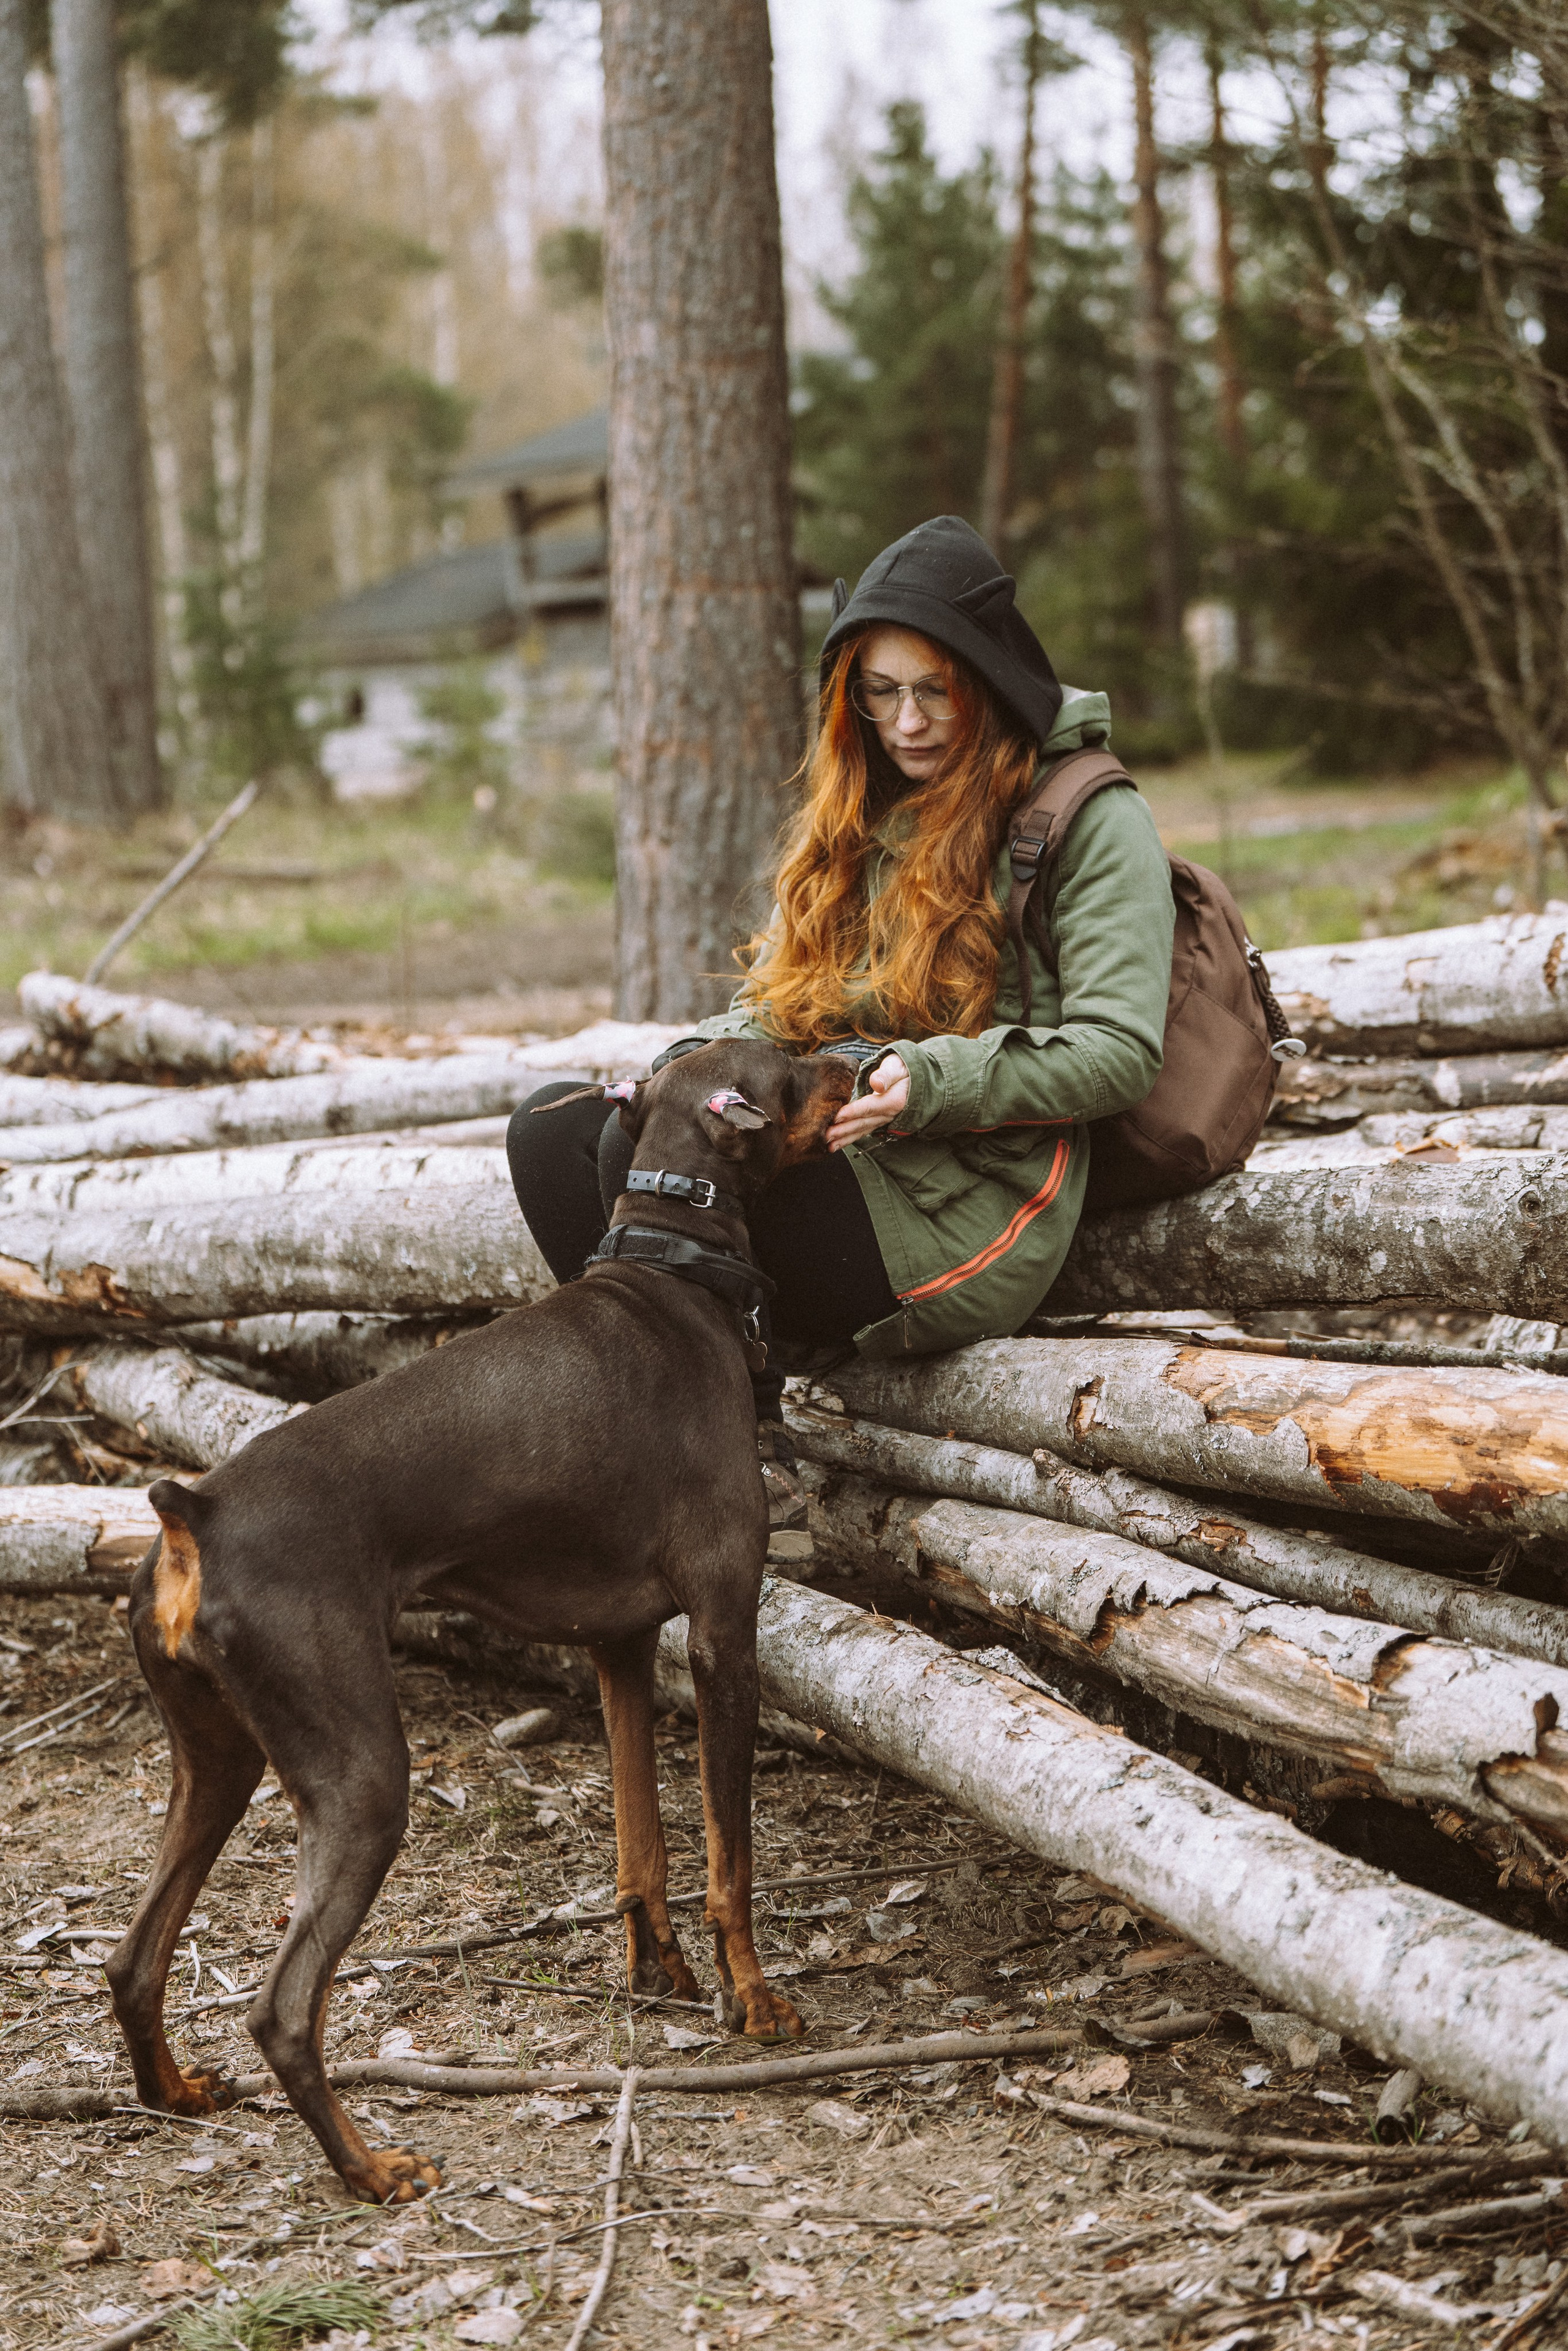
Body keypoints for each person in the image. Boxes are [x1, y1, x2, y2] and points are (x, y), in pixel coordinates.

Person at [508, 515, 1175, 1511]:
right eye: (880, 691)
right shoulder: (860, 803)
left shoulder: (1088, 815)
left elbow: (1120, 1052)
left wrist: (931, 1084)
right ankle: (717, 1438)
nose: (906, 721)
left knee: (640, 1172)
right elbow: (776, 1000)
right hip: (837, 1135)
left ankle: (706, 1463)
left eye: (933, 689)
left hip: (975, 1190)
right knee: (567, 1135)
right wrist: (687, 1069)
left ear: (990, 671)